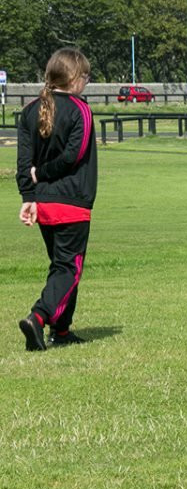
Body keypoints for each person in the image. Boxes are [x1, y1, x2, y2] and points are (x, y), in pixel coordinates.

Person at [16, 48, 96, 351]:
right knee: (69, 268)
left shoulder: (29, 110)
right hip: (71, 201)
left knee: (60, 267)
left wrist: (28, 195)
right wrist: (43, 174)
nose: (87, 82)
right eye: (85, 76)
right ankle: (38, 316)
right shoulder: (80, 109)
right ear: (74, 78)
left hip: (44, 204)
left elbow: (24, 162)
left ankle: (61, 331)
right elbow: (73, 157)